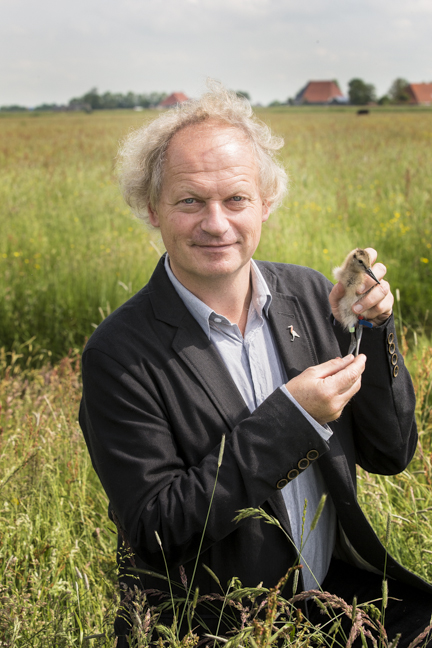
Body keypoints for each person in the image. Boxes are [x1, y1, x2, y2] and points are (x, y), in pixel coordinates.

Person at [79, 84, 432, 646]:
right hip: (214, 627)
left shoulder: (313, 297)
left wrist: (374, 326)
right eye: (190, 200)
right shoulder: (119, 353)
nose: (216, 224)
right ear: (152, 208)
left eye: (236, 199)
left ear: (267, 202)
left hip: (338, 604)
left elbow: (391, 453)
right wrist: (292, 419)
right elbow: (157, 529)